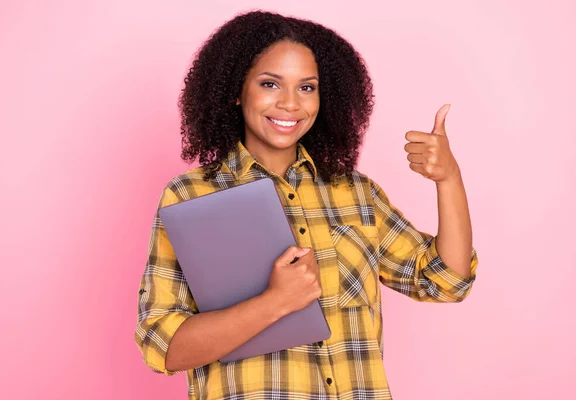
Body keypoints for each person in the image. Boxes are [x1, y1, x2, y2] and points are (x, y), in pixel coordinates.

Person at [135, 10, 478, 400]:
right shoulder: (192, 195)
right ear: (237, 89)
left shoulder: (357, 193)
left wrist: (449, 180)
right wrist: (275, 303)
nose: (289, 104)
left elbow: (446, 281)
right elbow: (162, 346)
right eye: (270, 83)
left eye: (307, 88)